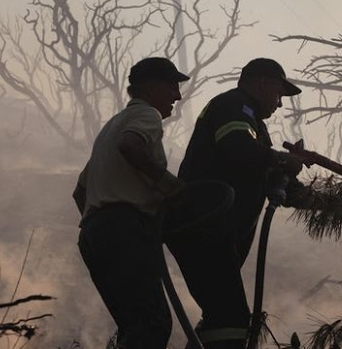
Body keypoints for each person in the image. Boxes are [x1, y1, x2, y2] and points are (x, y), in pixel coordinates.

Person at [167, 58, 308, 349]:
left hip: (212, 232)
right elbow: (237, 148)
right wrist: (282, 159)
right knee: (230, 318)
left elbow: (270, 177)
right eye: (279, 94)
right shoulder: (233, 105)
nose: (280, 104)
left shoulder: (253, 124)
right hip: (202, 227)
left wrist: (328, 203)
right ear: (262, 83)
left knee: (222, 315)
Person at [72, 57, 189, 349]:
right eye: (172, 87)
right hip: (123, 230)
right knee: (153, 324)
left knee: (133, 327)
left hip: (93, 236)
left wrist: (100, 223)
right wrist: (170, 187)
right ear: (151, 88)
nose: (178, 95)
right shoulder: (146, 115)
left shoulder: (109, 129)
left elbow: (80, 191)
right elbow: (130, 146)